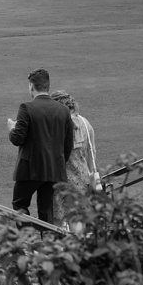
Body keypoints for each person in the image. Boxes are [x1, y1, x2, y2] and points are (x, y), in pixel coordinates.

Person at [8, 67, 74, 223]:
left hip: (30, 169)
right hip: (53, 168)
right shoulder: (64, 110)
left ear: (31, 86)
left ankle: (27, 241)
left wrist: (12, 129)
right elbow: (68, 144)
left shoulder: (27, 107)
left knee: (19, 204)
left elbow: (17, 139)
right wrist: (57, 162)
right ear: (48, 85)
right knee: (46, 209)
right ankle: (47, 243)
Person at [49, 90, 98, 221]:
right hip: (81, 181)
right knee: (78, 223)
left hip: (59, 182)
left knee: (57, 223)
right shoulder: (86, 124)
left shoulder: (55, 125)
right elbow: (92, 153)